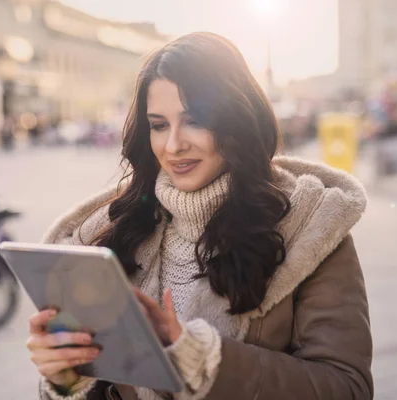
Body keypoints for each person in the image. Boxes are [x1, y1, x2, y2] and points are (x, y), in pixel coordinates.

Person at [27, 32, 372, 400]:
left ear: (236, 120)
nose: (174, 145)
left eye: (194, 121)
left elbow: (347, 389)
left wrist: (197, 357)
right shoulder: (112, 232)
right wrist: (67, 379)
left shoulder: (310, 228)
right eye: (159, 125)